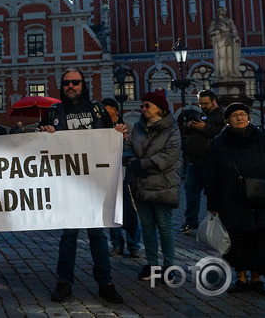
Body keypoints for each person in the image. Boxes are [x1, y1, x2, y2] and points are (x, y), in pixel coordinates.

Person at [38, 68, 125, 304]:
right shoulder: (55, 111)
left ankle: (105, 283)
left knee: (98, 235)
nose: (71, 86)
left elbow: (112, 139)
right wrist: (44, 132)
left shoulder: (96, 110)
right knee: (69, 235)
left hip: (95, 183)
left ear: (83, 84)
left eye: (75, 82)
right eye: (66, 83)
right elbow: (37, 144)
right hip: (67, 184)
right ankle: (64, 283)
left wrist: (118, 134)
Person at [206, 103, 265, 296]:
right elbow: (212, 175)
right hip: (231, 197)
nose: (240, 118)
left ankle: (257, 278)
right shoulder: (219, 142)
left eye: (243, 114)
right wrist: (213, 204)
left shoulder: (261, 139)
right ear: (228, 120)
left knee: (259, 238)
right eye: (235, 115)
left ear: (249, 117)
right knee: (236, 239)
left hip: (260, 197)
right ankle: (240, 277)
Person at [123, 90, 181, 282]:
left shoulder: (172, 128)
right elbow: (128, 145)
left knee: (164, 226)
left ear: (160, 109)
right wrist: (129, 158)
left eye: (148, 105)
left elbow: (170, 155)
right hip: (140, 182)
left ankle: (168, 266)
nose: (144, 108)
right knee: (147, 226)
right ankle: (152, 265)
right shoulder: (138, 126)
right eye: (143, 105)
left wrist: (142, 164)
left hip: (162, 184)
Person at [179, 90, 224, 235]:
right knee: (191, 193)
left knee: (213, 195)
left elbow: (222, 133)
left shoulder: (222, 115)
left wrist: (204, 127)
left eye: (205, 103)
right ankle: (190, 222)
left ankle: (217, 225)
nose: (203, 106)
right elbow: (189, 132)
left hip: (211, 163)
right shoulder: (201, 114)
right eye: (201, 103)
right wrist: (190, 126)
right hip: (194, 162)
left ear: (214, 101)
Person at [101, 98, 141, 259]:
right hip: (109, 173)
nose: (104, 112)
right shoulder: (101, 128)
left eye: (107, 109)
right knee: (113, 210)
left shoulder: (129, 126)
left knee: (130, 210)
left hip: (127, 173)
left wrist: (125, 139)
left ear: (115, 110)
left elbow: (137, 148)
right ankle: (117, 244)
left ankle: (134, 245)